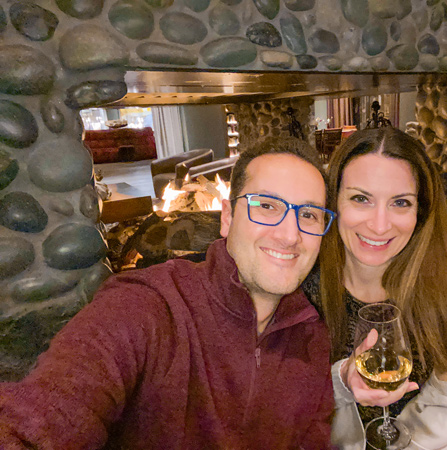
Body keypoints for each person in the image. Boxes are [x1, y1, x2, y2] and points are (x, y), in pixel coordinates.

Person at [0, 137, 336, 450]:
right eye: (266, 206)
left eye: (309, 214)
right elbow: (42, 418)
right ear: (228, 218)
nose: (291, 235)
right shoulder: (147, 308)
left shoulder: (311, 337)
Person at [303, 127, 447, 449]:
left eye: (400, 202)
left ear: (419, 212)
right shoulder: (303, 285)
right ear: (333, 201)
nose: (379, 225)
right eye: (361, 198)